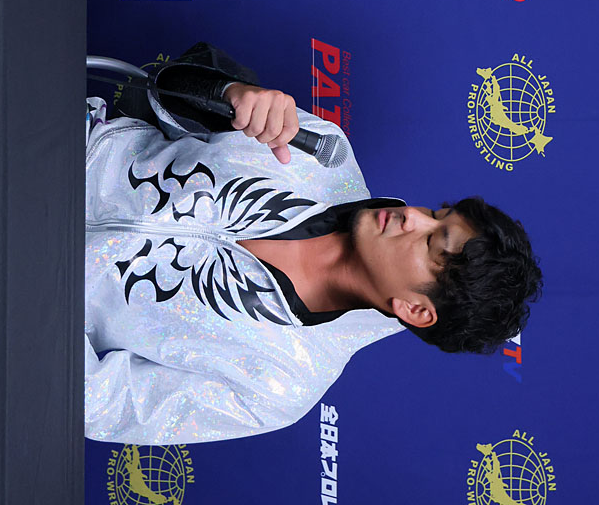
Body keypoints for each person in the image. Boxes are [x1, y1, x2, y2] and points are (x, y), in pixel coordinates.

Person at [85, 45, 542, 444]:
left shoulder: (283, 384)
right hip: (62, 141)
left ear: (416, 310)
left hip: (46, 283)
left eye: (430, 241)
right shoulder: (325, 154)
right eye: (437, 213)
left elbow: (106, 404)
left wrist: (48, 301)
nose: (413, 215)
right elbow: (163, 85)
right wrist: (231, 93)